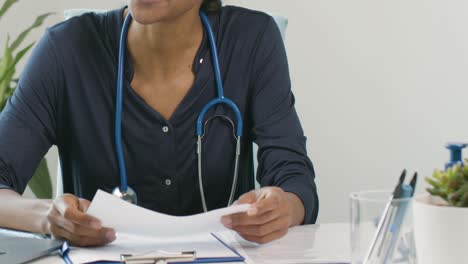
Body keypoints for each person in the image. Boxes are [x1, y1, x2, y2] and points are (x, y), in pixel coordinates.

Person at [0, 0, 318, 246]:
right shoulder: (66, 50)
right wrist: (49, 217)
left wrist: (283, 208)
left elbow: (294, 180)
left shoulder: (252, 40)